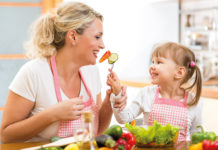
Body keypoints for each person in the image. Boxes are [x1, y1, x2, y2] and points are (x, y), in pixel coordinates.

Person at [0, 2, 127, 143]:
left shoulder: (91, 72)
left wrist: (110, 101)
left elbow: (96, 132)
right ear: (73, 36)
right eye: (97, 37)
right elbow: (6, 135)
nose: (102, 45)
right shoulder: (33, 73)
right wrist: (52, 114)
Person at [107, 42, 202, 142]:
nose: (152, 66)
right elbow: (123, 118)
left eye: (159, 62)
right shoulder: (146, 94)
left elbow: (196, 136)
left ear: (179, 72)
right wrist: (117, 94)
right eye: (152, 61)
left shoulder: (193, 102)